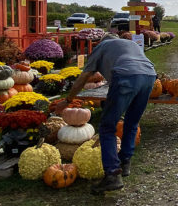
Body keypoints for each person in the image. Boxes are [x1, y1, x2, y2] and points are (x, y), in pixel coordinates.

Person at [56, 33, 156, 195]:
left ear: (102, 42)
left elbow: (84, 77)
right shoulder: (129, 44)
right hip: (149, 76)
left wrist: (68, 100)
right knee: (132, 121)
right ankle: (125, 163)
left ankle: (112, 175)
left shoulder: (101, 47)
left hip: (125, 76)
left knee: (107, 126)